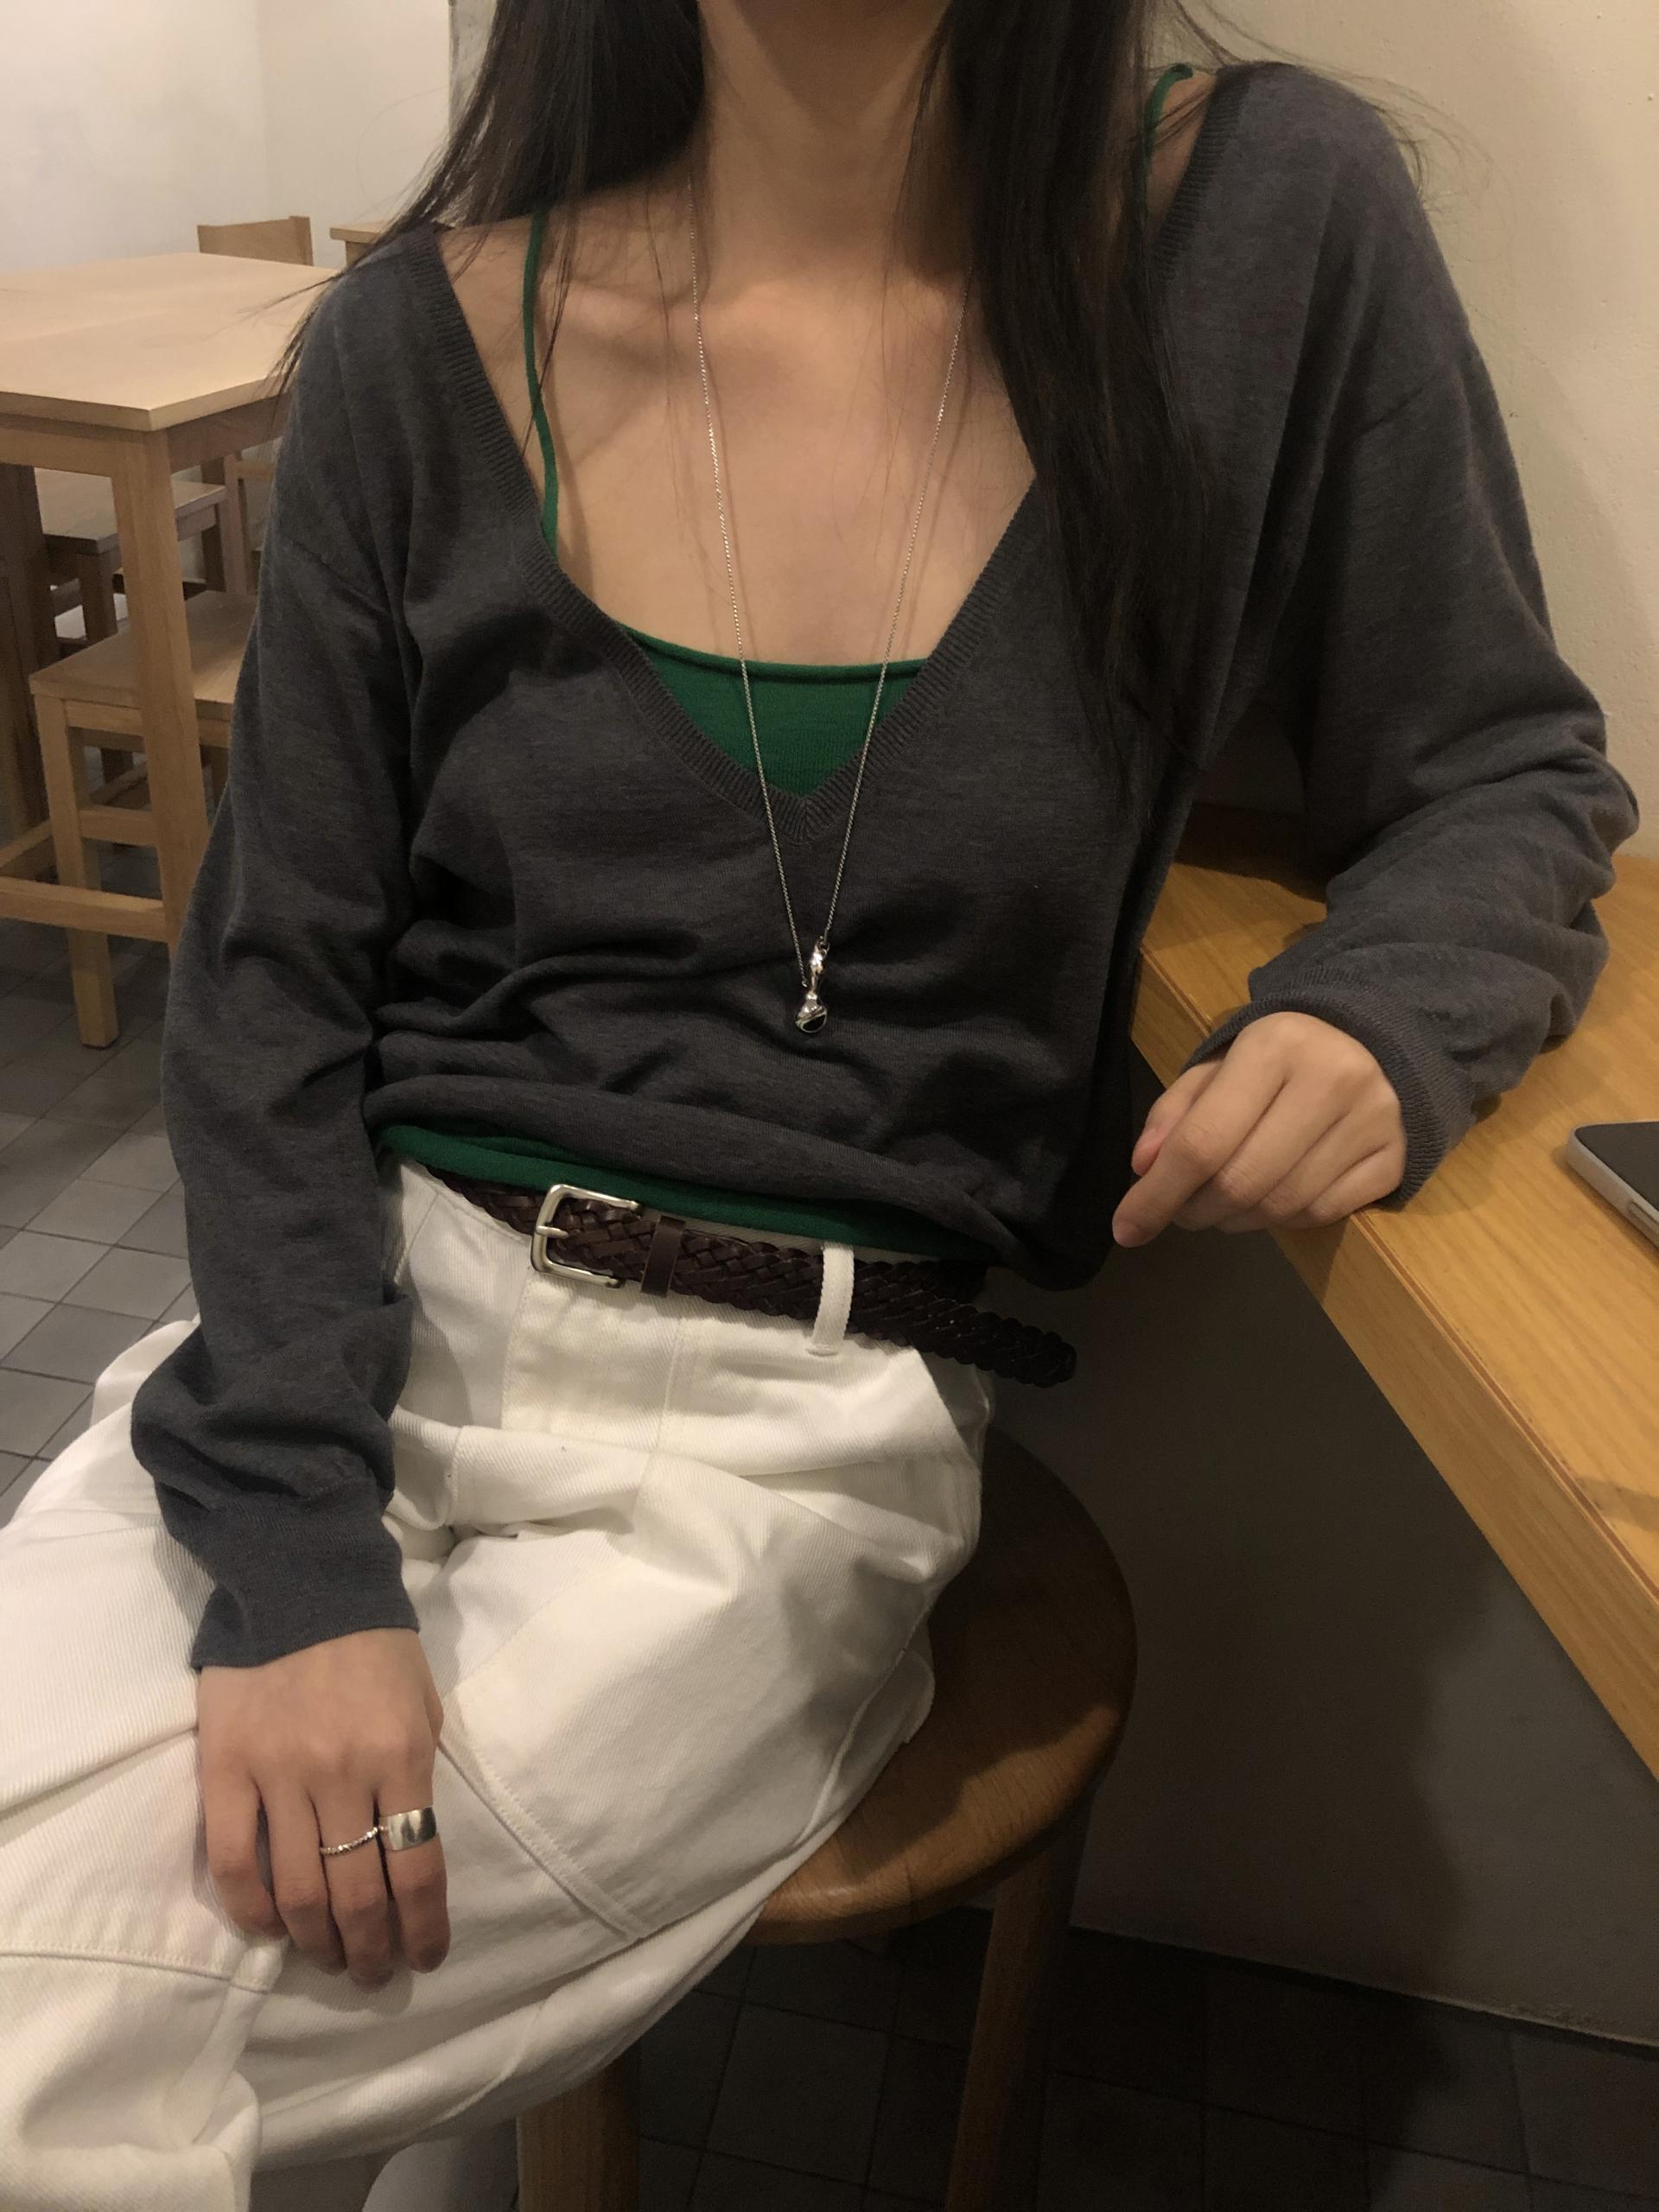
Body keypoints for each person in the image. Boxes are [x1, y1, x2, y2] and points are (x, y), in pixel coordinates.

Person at [0, 0, 1640, 2202]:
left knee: (61, 2052)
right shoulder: (412, 343)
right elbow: (269, 985)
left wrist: (1384, 1020)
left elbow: (1507, 768)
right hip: (347, 1326)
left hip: (775, 1446)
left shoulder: (1261, 227)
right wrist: (297, 1551)